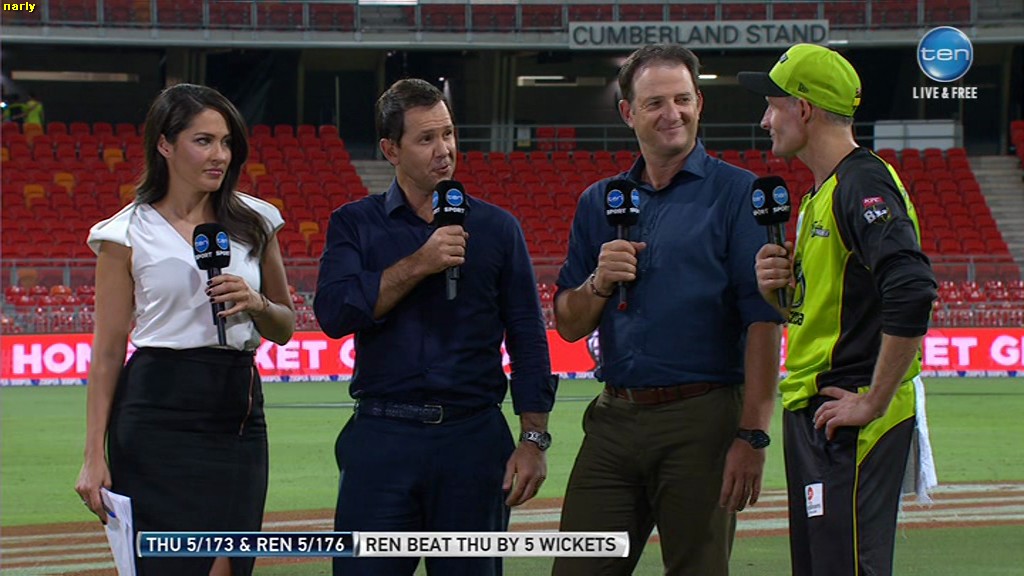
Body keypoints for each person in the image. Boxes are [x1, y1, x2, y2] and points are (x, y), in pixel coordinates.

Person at [552, 44, 784, 576]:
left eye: (682, 99)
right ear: (627, 112)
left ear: (699, 102)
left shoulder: (739, 193)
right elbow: (568, 323)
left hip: (702, 418)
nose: (671, 113)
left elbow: (763, 319)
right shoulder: (599, 201)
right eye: (655, 102)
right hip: (614, 417)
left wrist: (752, 434)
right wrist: (599, 282)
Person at [314, 78, 557, 576]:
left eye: (448, 133)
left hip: (474, 441)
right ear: (390, 150)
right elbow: (335, 315)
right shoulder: (354, 224)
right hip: (382, 437)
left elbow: (528, 338)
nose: (444, 149)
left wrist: (533, 440)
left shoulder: (497, 228)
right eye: (426, 138)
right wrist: (419, 263)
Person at [74, 83, 296, 576]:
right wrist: (93, 455)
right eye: (204, 141)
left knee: (228, 566)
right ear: (165, 144)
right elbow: (107, 352)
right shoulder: (124, 232)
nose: (220, 155)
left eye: (226, 142)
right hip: (155, 415)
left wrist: (257, 302)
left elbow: (284, 326)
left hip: (238, 413)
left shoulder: (257, 221)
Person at [739, 44, 938, 576]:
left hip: (846, 416)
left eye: (772, 105)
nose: (765, 121)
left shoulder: (861, 183)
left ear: (803, 108)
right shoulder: (819, 195)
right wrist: (777, 291)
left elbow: (913, 288)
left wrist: (874, 400)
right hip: (820, 413)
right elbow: (824, 310)